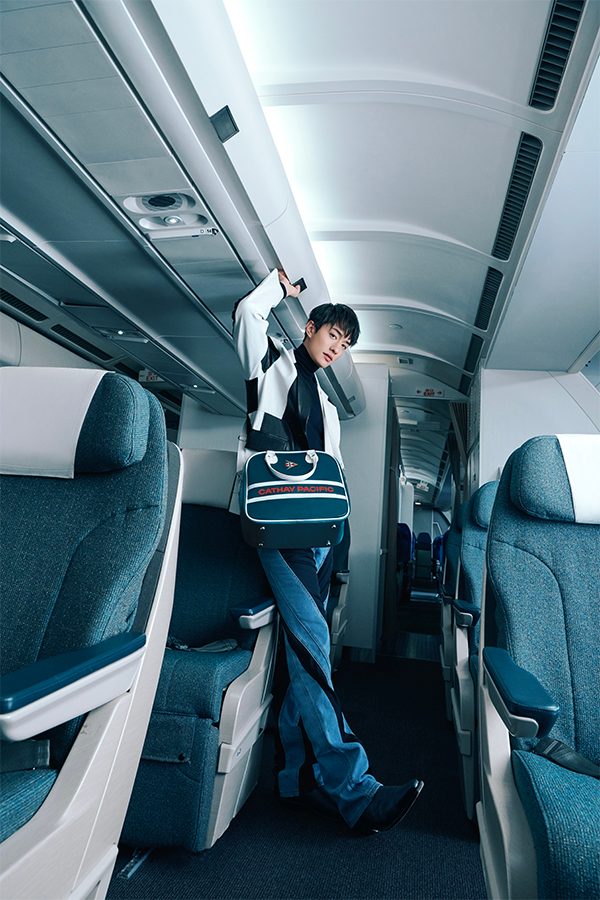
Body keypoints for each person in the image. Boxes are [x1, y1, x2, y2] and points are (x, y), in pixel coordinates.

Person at [232, 268, 423, 834]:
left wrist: (340, 540)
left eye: (344, 346)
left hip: (315, 536)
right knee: (314, 648)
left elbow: (333, 480)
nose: (336, 350)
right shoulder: (271, 364)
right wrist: (280, 290)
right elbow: (247, 314)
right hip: (275, 526)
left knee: (301, 656)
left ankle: (294, 780)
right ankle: (354, 788)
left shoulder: (330, 408)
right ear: (310, 328)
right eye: (333, 337)